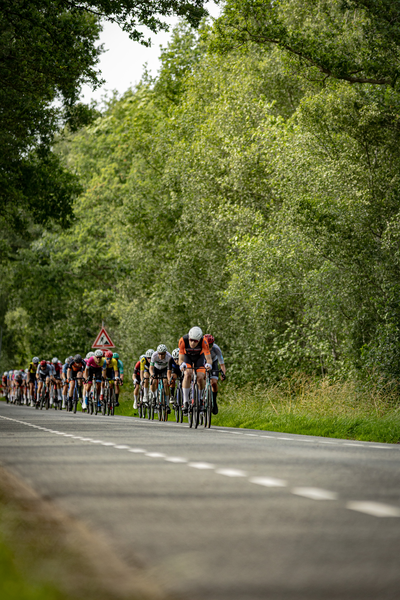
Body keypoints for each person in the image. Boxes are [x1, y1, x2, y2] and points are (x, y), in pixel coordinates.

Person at [178, 326, 212, 414]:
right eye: (191, 340)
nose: (193, 343)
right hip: (187, 357)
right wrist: (182, 364)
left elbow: (209, 359)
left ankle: (200, 399)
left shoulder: (204, 341)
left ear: (199, 339)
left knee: (200, 377)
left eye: (195, 341)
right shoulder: (183, 340)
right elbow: (180, 359)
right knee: (187, 374)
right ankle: (185, 401)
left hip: (199, 358)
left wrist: (208, 364)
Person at [204, 334, 226, 415]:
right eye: (207, 345)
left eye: (210, 345)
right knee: (201, 378)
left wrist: (223, 374)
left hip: (213, 362)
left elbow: (222, 365)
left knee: (214, 382)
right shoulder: (200, 347)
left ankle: (214, 400)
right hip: (203, 362)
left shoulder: (216, 348)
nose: (209, 347)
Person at [150, 345, 172, 413]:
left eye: (162, 354)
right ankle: (154, 397)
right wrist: (152, 374)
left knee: (165, 383)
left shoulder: (169, 357)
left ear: (165, 353)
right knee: (153, 382)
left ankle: (167, 404)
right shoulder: (154, 355)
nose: (160, 356)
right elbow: (151, 368)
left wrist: (169, 378)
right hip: (156, 369)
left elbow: (169, 369)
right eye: (159, 354)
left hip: (165, 369)